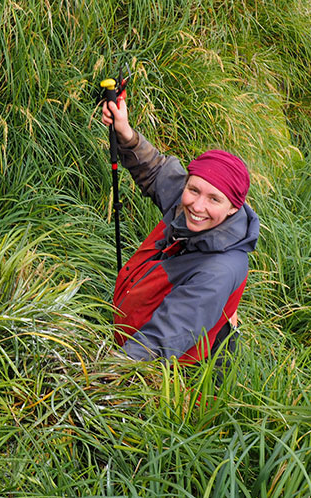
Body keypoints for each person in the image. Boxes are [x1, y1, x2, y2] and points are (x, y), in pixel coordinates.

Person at [101, 93, 259, 363]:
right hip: (132, 341)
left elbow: (163, 340)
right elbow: (156, 170)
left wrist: (105, 371)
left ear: (234, 207)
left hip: (172, 370)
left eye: (214, 199)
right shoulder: (189, 202)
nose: (197, 206)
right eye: (193, 189)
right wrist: (125, 132)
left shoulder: (219, 270)